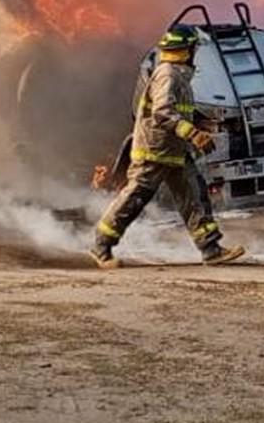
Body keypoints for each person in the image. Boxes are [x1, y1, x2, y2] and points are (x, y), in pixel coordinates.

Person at [90, 24, 245, 269]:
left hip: (175, 150)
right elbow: (163, 112)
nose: (196, 52)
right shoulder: (168, 75)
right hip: (154, 150)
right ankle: (101, 245)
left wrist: (203, 122)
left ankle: (211, 249)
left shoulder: (178, 75)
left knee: (194, 196)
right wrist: (192, 133)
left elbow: (179, 110)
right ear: (185, 51)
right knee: (134, 198)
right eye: (194, 48)